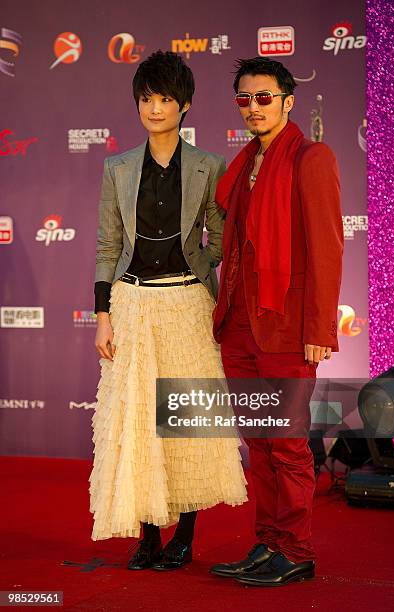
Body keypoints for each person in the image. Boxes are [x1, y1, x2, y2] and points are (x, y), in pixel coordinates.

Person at [89, 50, 247, 572]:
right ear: (137, 104)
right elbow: (107, 245)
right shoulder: (117, 167)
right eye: (146, 99)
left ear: (185, 106)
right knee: (140, 425)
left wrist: (199, 264)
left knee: (185, 421)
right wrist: (103, 314)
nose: (155, 109)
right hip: (132, 304)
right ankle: (147, 535)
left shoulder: (209, 166)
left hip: (187, 305)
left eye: (165, 100)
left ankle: (185, 537)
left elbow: (222, 238)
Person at [210, 57, 343, 586]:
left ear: (288, 102)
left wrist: (319, 330)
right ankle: (267, 542)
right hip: (241, 324)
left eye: (264, 97)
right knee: (258, 442)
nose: (253, 108)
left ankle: (297, 549)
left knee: (286, 443)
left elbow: (327, 250)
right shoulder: (243, 163)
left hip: (287, 328)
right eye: (244, 99)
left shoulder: (311, 157)